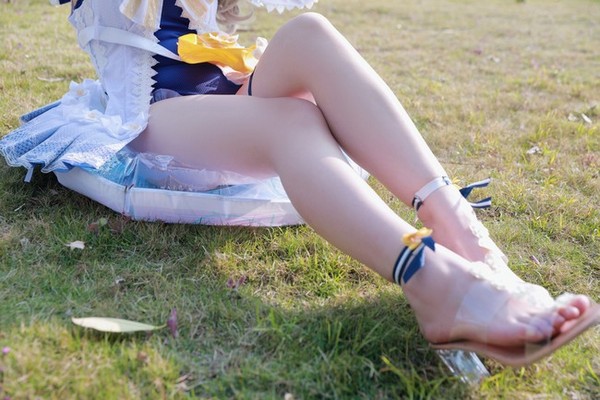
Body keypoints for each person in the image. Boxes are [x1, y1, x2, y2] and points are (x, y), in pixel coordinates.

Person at [1, 0, 598, 368]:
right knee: (293, 120)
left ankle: (469, 241)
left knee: (311, 32)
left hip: (226, 98)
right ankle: (433, 281)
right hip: (151, 118)